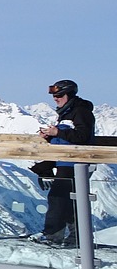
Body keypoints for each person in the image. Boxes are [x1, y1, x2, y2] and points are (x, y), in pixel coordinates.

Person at [36, 78, 96, 246]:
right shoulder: (66, 113)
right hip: (66, 162)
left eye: (60, 95)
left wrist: (57, 132)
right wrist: (50, 137)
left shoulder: (81, 112)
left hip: (76, 163)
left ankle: (53, 236)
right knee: (69, 200)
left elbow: (82, 137)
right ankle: (77, 238)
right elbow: (66, 140)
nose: (56, 98)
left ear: (69, 94)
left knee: (57, 198)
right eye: (54, 96)